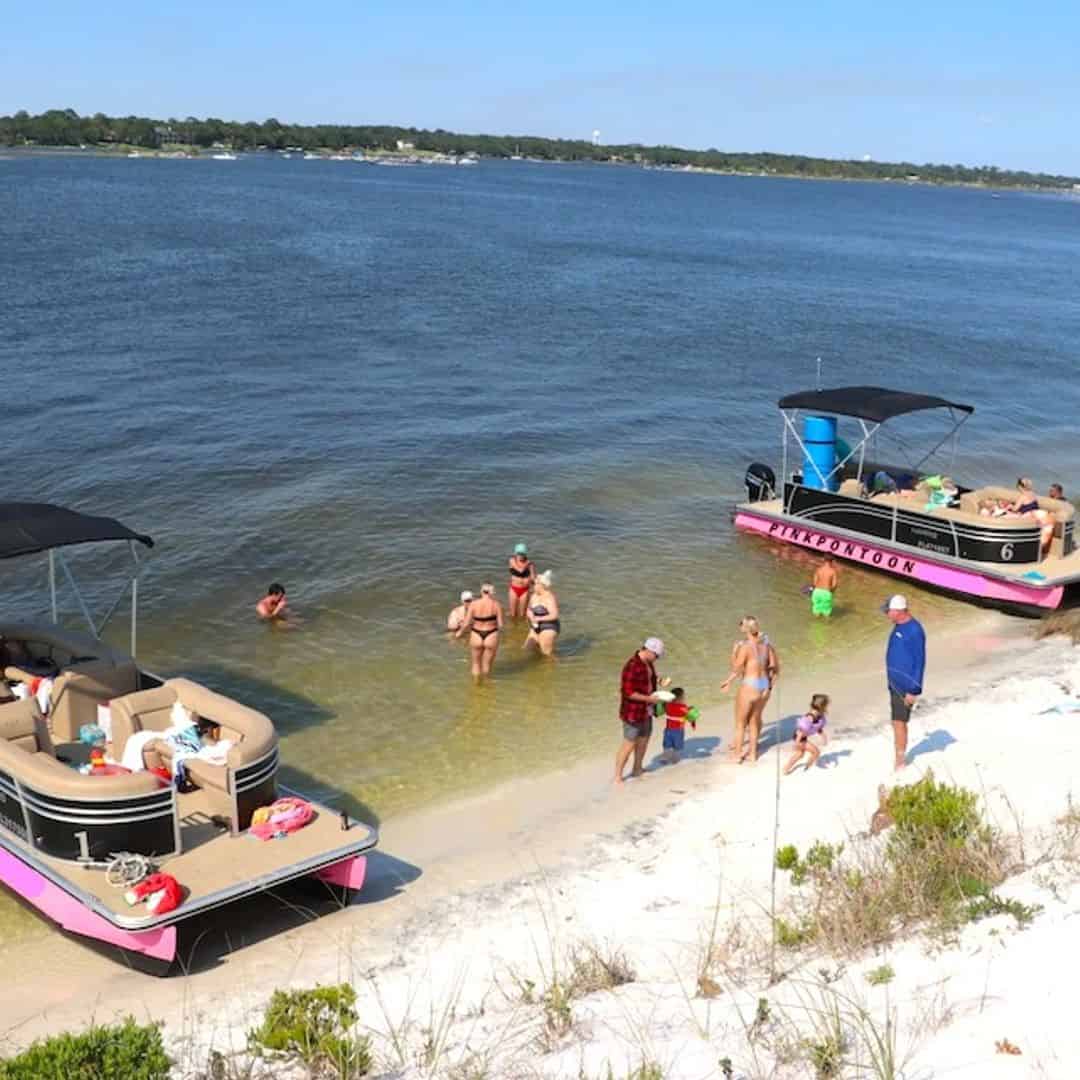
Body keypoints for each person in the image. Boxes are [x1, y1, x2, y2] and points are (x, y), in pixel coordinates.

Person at [720, 616, 779, 764]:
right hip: (764, 686)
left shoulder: (745, 647)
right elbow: (774, 667)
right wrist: (770, 685)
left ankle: (737, 755)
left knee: (740, 723)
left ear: (745, 629)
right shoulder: (767, 646)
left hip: (750, 685)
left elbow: (736, 667)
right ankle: (753, 755)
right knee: (754, 721)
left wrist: (734, 652)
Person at [884, 594, 926, 771]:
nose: (886, 614)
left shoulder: (914, 630)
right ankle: (899, 756)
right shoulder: (898, 625)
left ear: (899, 611)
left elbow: (919, 661)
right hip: (894, 683)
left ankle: (900, 761)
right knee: (896, 721)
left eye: (889, 611)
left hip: (905, 686)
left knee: (899, 722)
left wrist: (914, 689)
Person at [615, 637, 665, 784]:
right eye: (656, 655)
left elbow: (649, 680)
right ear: (648, 650)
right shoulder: (632, 666)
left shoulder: (648, 663)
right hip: (633, 712)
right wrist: (649, 699)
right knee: (629, 744)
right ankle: (618, 776)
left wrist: (660, 681)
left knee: (644, 740)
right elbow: (628, 692)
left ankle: (637, 769)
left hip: (646, 711)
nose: (657, 658)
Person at [455, 583, 504, 679]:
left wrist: (459, 633)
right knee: (487, 666)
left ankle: (476, 686)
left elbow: (466, 623)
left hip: (476, 634)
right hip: (491, 634)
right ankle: (486, 687)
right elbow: (501, 624)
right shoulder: (496, 605)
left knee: (476, 664)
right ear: (492, 593)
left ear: (482, 592)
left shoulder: (474, 604)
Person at [783, 693, 830, 774]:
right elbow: (801, 731)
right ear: (822, 706)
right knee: (816, 752)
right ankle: (807, 767)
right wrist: (797, 743)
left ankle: (786, 769)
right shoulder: (811, 717)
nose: (827, 707)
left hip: (800, 737)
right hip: (800, 738)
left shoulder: (818, 715)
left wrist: (824, 737)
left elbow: (817, 727)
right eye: (826, 705)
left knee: (800, 754)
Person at [658, 686, 699, 764]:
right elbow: (691, 717)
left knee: (667, 744)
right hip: (678, 731)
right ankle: (675, 759)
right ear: (680, 698)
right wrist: (692, 710)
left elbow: (659, 710)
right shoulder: (683, 707)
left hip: (668, 730)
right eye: (683, 697)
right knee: (677, 746)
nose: (684, 699)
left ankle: (665, 757)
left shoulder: (667, 705)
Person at [524, 570, 560, 657]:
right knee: (528, 649)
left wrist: (539, 618)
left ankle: (554, 667)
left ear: (542, 585)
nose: (532, 586)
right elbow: (529, 609)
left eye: (534, 584)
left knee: (546, 654)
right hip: (536, 626)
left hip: (549, 626)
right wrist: (530, 614)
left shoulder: (549, 598)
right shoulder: (534, 596)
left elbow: (554, 615)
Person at [507, 543, 536, 619]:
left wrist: (536, 586)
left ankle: (521, 629)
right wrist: (527, 563)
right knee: (513, 614)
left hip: (525, 590)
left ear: (525, 554)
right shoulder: (512, 560)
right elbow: (520, 570)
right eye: (518, 553)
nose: (520, 555)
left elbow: (533, 577)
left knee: (522, 614)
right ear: (515, 553)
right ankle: (513, 629)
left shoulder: (530, 564)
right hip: (514, 589)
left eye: (522, 554)